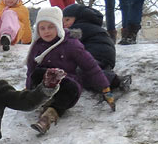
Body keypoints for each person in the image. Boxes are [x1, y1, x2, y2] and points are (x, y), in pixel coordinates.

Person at [26, 7, 115, 135]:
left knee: (72, 89)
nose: (46, 31)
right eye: (42, 28)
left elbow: (90, 66)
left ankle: (49, 115)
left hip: (66, 82)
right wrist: (29, 90)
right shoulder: (37, 46)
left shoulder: (71, 44)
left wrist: (105, 88)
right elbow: (31, 69)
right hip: (44, 84)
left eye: (51, 27)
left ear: (58, 26)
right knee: (38, 73)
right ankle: (43, 100)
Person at [62, 4, 131, 91]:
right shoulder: (92, 26)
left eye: (68, 20)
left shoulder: (78, 28)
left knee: (81, 72)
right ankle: (106, 74)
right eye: (63, 21)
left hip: (96, 55)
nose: (65, 24)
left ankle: (117, 81)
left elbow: (66, 43)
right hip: (105, 57)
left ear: (78, 18)